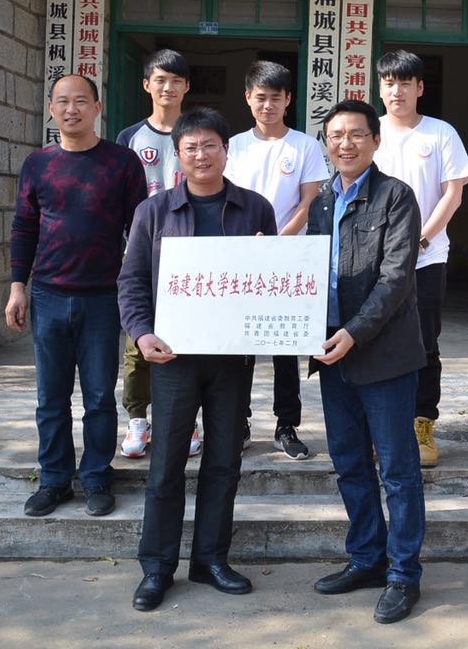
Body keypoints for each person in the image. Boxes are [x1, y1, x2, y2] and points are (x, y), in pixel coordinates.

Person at [117, 107, 277, 612]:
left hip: (231, 359)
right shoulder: (154, 212)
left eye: (211, 145)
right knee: (166, 464)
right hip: (173, 359)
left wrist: (265, 261)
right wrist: (141, 333)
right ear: (178, 155)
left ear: (226, 151)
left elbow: (272, 284)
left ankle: (211, 560)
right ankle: (157, 567)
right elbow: (131, 281)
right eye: (191, 147)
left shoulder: (255, 208)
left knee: (224, 462)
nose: (202, 155)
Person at [307, 99, 427, 625]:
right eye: (335, 135)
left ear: (375, 141)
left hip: (384, 355)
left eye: (356, 134)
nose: (345, 143)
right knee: (350, 464)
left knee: (397, 471)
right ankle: (366, 558)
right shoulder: (322, 200)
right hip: (332, 355)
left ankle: (403, 574)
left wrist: (353, 333)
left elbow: (395, 279)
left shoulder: (396, 196)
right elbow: (309, 271)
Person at [6, 74, 147, 518]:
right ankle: (54, 480)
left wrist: (139, 289)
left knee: (100, 396)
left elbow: (139, 229)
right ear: (51, 109)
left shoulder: (122, 163)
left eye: (81, 101)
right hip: (48, 294)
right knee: (51, 397)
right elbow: (24, 227)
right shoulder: (38, 164)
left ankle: (97, 477)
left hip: (103, 297)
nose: (72, 109)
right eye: (63, 102)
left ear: (97, 108)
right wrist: (17, 287)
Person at [373, 50, 468, 468]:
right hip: (374, 262)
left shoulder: (440, 133)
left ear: (419, 88)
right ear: (380, 88)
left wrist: (421, 239)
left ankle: (422, 423)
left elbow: (453, 192)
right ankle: (382, 427)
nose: (396, 91)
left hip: (426, 260)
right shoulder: (370, 132)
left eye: (404, 83)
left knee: (424, 343)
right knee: (374, 342)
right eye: (389, 83)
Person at [225, 60, 330, 460]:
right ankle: (239, 422)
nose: (267, 105)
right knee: (239, 347)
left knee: (286, 346)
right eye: (260, 97)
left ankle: (287, 425)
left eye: (275, 97)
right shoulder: (234, 146)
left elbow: (309, 201)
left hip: (288, 259)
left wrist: (277, 243)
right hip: (243, 259)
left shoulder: (304, 146)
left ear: (288, 99)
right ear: (248, 98)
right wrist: (250, 247)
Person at [114, 49, 197, 461]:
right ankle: (137, 418)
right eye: (160, 80)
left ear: (187, 86)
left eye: (176, 80)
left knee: (190, 340)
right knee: (138, 342)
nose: (168, 88)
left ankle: (187, 421)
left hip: (191, 254)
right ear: (147, 84)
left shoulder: (197, 133)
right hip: (141, 251)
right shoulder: (129, 137)